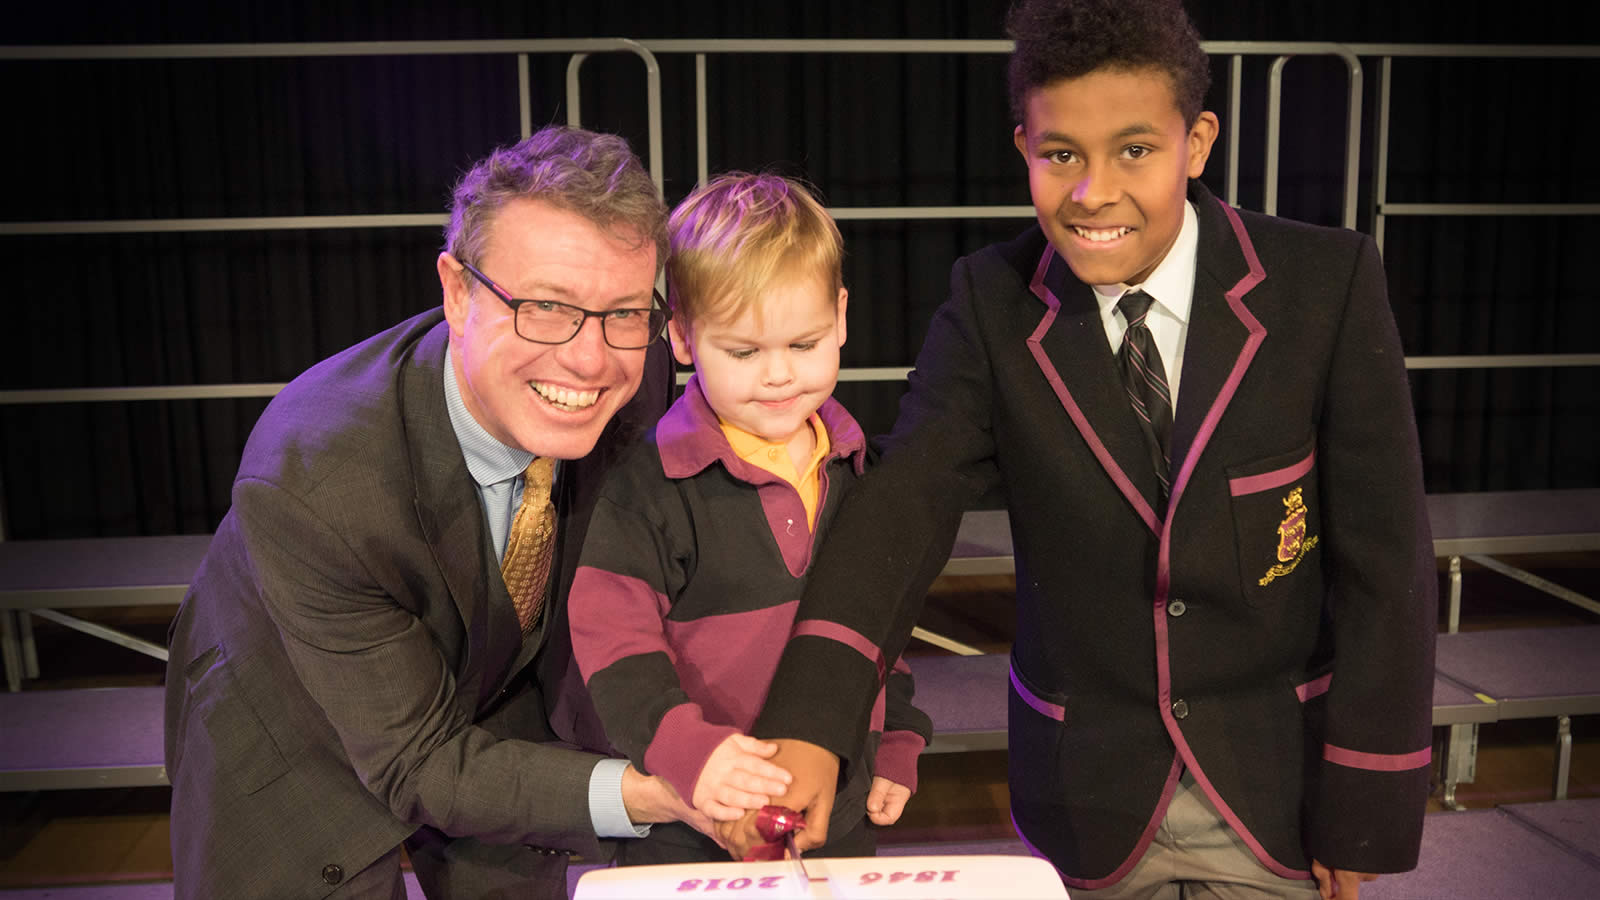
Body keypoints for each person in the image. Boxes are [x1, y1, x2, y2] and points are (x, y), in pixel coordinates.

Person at [733, 2, 1438, 898]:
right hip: (1087, 798)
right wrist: (809, 722)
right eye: (1060, 154)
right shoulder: (991, 302)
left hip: (1277, 793)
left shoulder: (1325, 284)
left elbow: (1389, 568)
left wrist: (1365, 808)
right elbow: (900, 510)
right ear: (1023, 144)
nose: (1093, 191)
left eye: (1135, 151)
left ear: (1199, 140)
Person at [163, 126, 776, 900]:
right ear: (457, 292)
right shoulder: (318, 479)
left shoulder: (640, 364)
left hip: (497, 703)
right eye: (546, 307)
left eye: (623, 312)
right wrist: (655, 790)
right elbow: (418, 762)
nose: (590, 361)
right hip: (298, 743)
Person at [569, 172, 932, 865]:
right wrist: (691, 754)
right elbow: (614, 646)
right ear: (680, 336)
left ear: (842, 318)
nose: (778, 376)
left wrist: (897, 739)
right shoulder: (646, 487)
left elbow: (877, 623)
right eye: (743, 352)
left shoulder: (861, 468)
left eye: (804, 344)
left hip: (838, 809)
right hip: (694, 819)